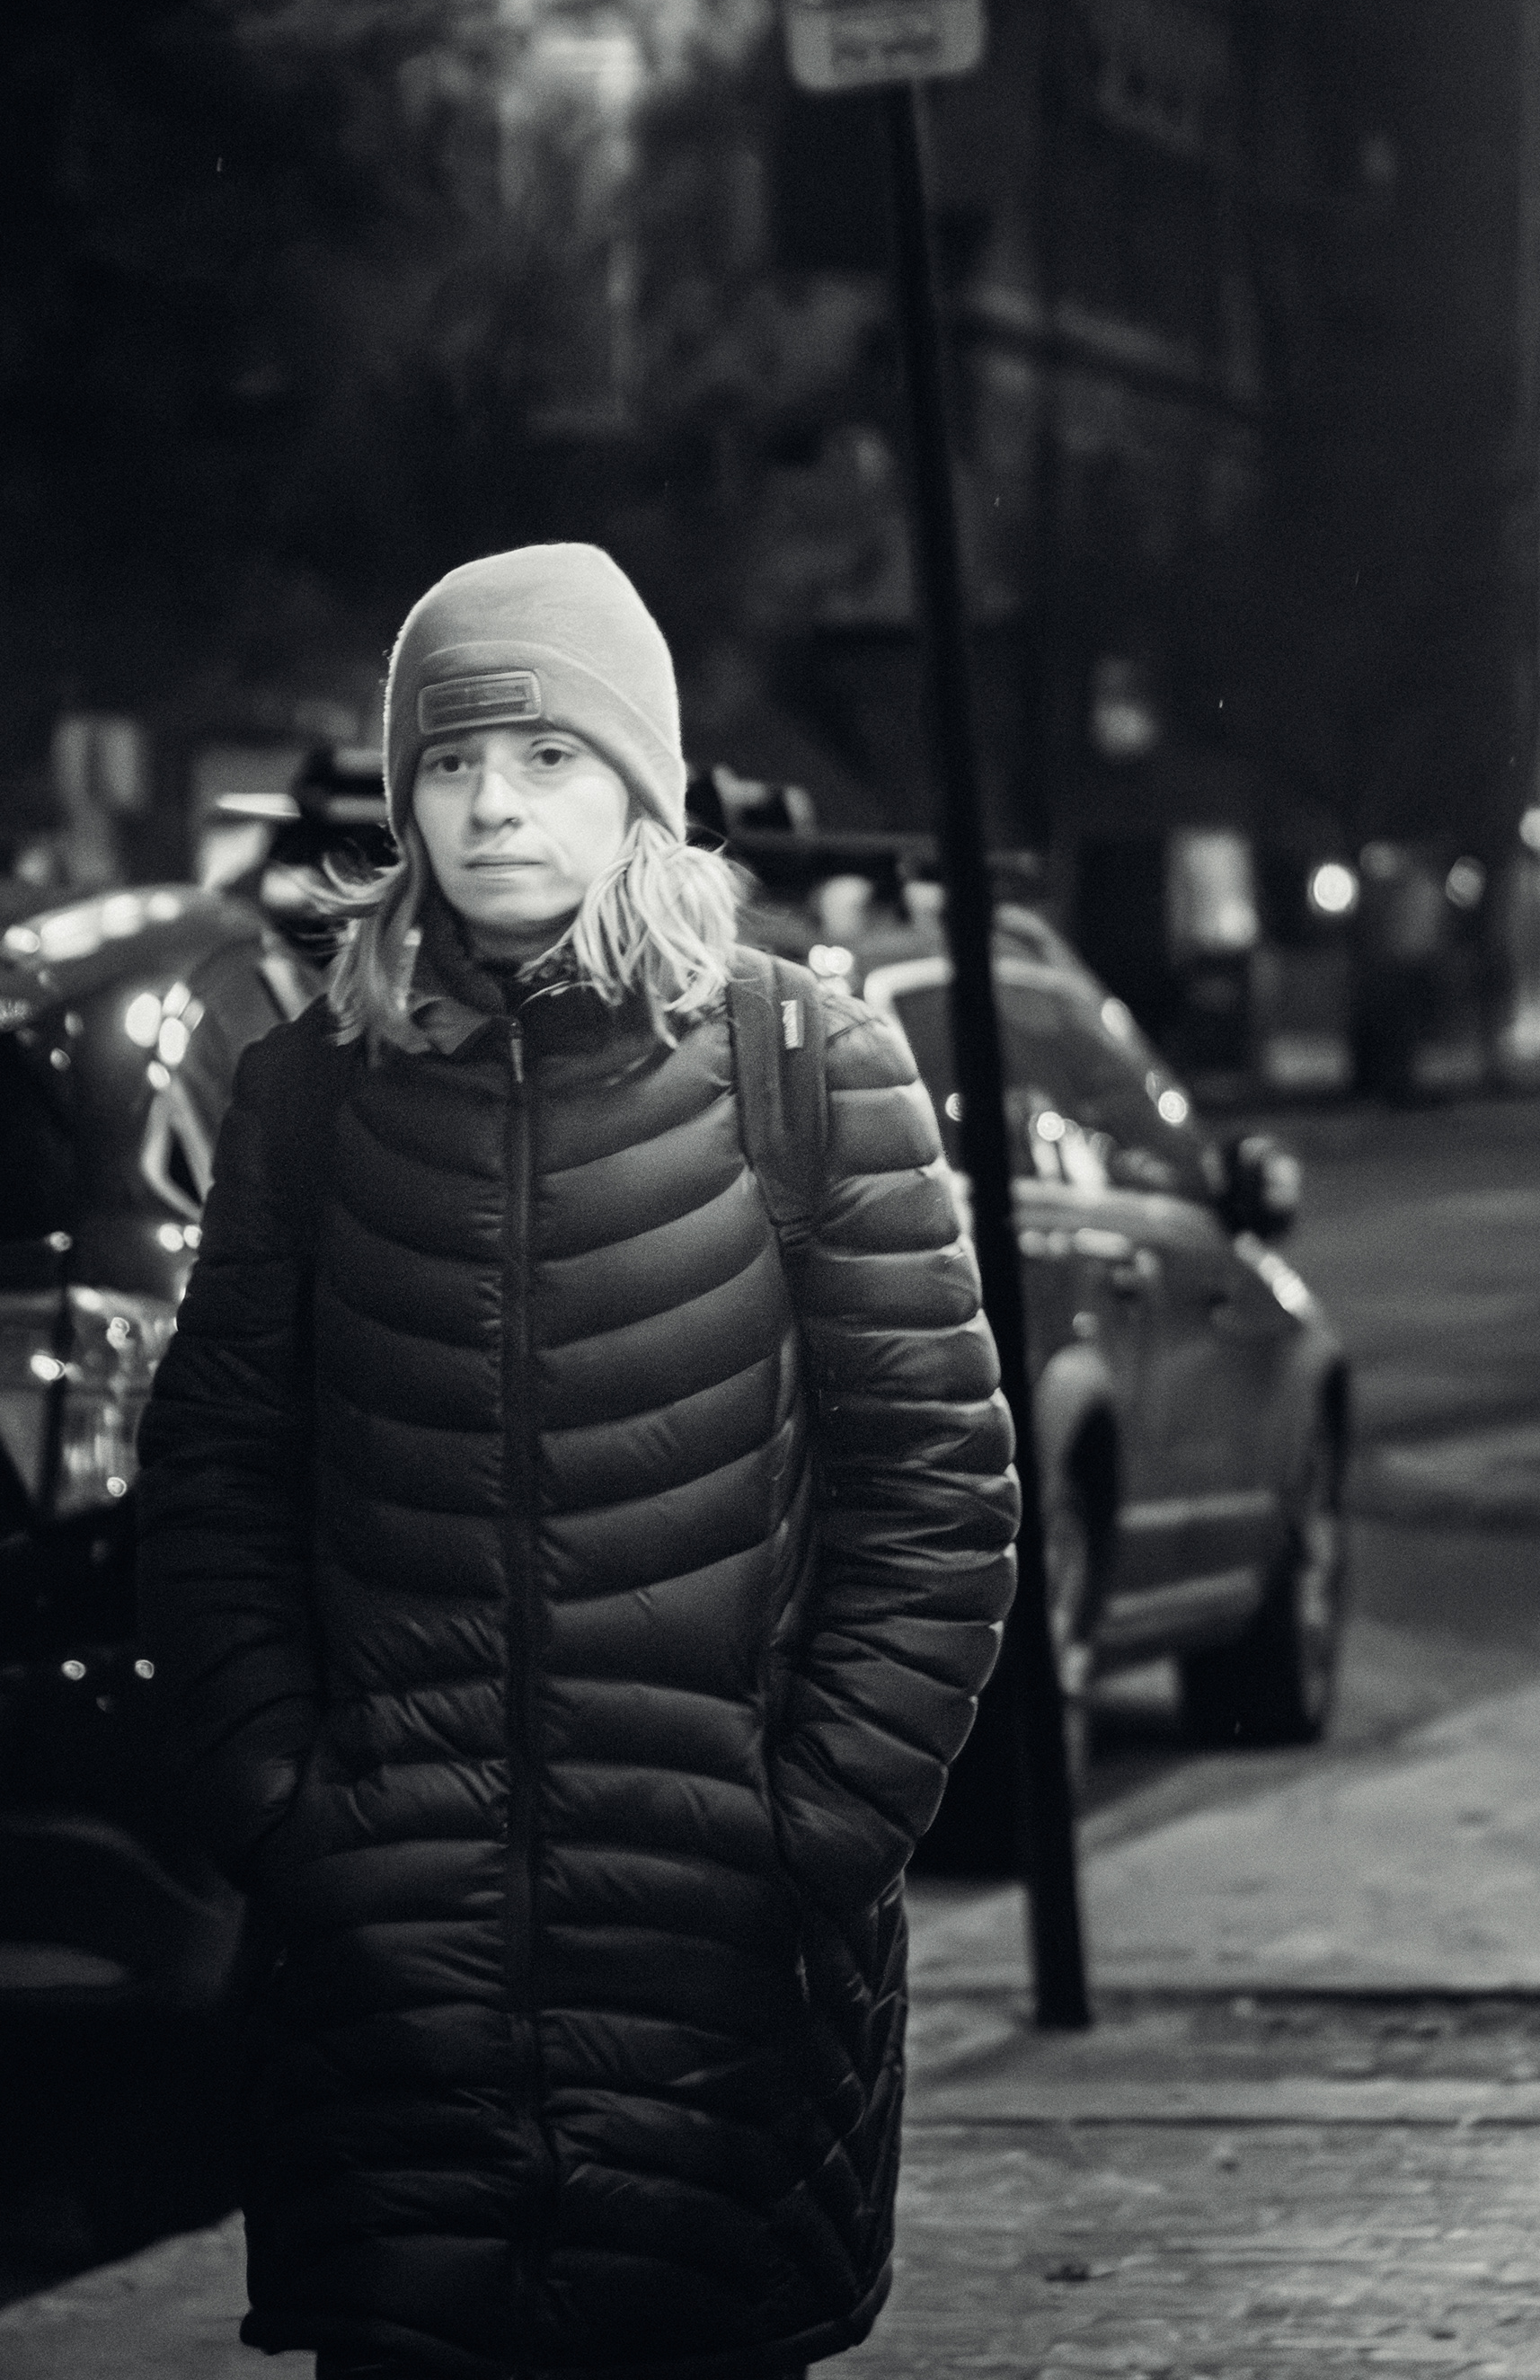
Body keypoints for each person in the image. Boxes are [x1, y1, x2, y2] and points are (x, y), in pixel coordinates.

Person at [135, 543, 1020, 2380]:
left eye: (547, 756)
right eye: (452, 764)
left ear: (638, 787)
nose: (494, 807)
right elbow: (214, 1484)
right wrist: (292, 1816)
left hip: (723, 1998)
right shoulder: (311, 1093)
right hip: (390, 1999)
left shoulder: (808, 1069)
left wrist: (816, 1833)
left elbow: (935, 1492)